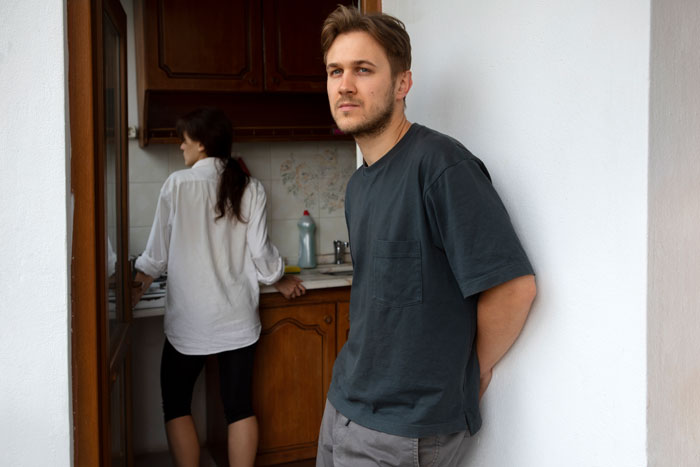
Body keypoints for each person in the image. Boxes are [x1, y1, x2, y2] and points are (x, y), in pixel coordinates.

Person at [316, 6, 537, 466]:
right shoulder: (360, 183)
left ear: (402, 84)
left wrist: (470, 371)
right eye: (336, 71)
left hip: (403, 432)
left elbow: (514, 287)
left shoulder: (440, 166)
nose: (345, 85)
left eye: (363, 69)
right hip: (343, 407)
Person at [131, 107, 306, 467]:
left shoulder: (177, 185)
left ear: (200, 143)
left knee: (176, 403)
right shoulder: (251, 186)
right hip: (236, 319)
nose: (181, 146)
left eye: (184, 139)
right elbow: (260, 253)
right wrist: (279, 277)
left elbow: (155, 258)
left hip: (189, 321)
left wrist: (133, 288)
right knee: (238, 406)